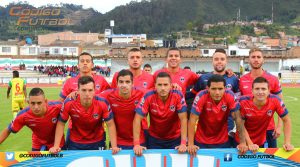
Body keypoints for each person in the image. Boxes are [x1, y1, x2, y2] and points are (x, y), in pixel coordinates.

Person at [49, 76, 119, 154]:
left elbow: (110, 125)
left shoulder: (103, 103)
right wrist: (56, 146)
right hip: (75, 142)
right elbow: (61, 124)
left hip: (97, 141)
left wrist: (114, 146)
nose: (87, 94)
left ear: (94, 91)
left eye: (90, 90)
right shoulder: (69, 103)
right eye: (83, 90)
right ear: (78, 91)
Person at [187, 48, 240, 146]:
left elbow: (239, 100)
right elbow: (192, 96)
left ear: (226, 61)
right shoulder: (203, 78)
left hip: (227, 126)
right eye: (216, 59)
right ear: (212, 61)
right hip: (206, 127)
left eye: (222, 59)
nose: (219, 62)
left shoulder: (233, 78)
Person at [187, 75, 247, 156]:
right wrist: (190, 144)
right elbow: (192, 120)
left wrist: (242, 142)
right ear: (207, 88)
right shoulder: (201, 95)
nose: (217, 92)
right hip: (201, 140)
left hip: (222, 140)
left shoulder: (230, 95)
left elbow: (238, 119)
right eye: (214, 89)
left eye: (220, 89)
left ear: (225, 88)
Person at [133, 72, 188, 156]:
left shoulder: (178, 95)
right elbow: (137, 119)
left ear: (171, 85)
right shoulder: (149, 96)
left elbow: (183, 119)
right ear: (155, 85)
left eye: (165, 85)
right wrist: (136, 144)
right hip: (154, 139)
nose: (163, 88)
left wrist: (183, 143)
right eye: (160, 85)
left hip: (175, 138)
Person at [239, 47, 283, 148]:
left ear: (263, 60)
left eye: (259, 57)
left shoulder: (273, 79)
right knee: (248, 160)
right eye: (253, 57)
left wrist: (279, 126)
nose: (256, 59)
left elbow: (281, 104)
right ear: (248, 60)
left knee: (269, 159)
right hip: (249, 130)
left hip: (268, 128)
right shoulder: (242, 80)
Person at [237, 77, 293, 153]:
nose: (260, 92)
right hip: (242, 142)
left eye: (263, 89)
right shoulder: (243, 102)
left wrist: (287, 142)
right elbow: (240, 125)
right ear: (252, 91)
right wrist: (250, 143)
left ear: (269, 91)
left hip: (260, 141)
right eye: (257, 89)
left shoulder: (275, 100)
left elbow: (286, 120)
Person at [0, 88, 65, 151]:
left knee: (60, 162)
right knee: (36, 162)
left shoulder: (57, 107)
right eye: (33, 103)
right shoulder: (23, 115)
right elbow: (8, 130)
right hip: (38, 142)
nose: (36, 107)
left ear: (45, 101)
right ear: (28, 102)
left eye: (39, 103)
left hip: (57, 142)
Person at [101, 70, 146, 149]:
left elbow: (159, 92)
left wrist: (172, 86)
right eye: (121, 82)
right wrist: (76, 93)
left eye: (127, 82)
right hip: (117, 141)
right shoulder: (108, 95)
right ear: (117, 83)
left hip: (138, 140)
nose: (124, 85)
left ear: (132, 83)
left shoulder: (141, 93)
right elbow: (91, 97)